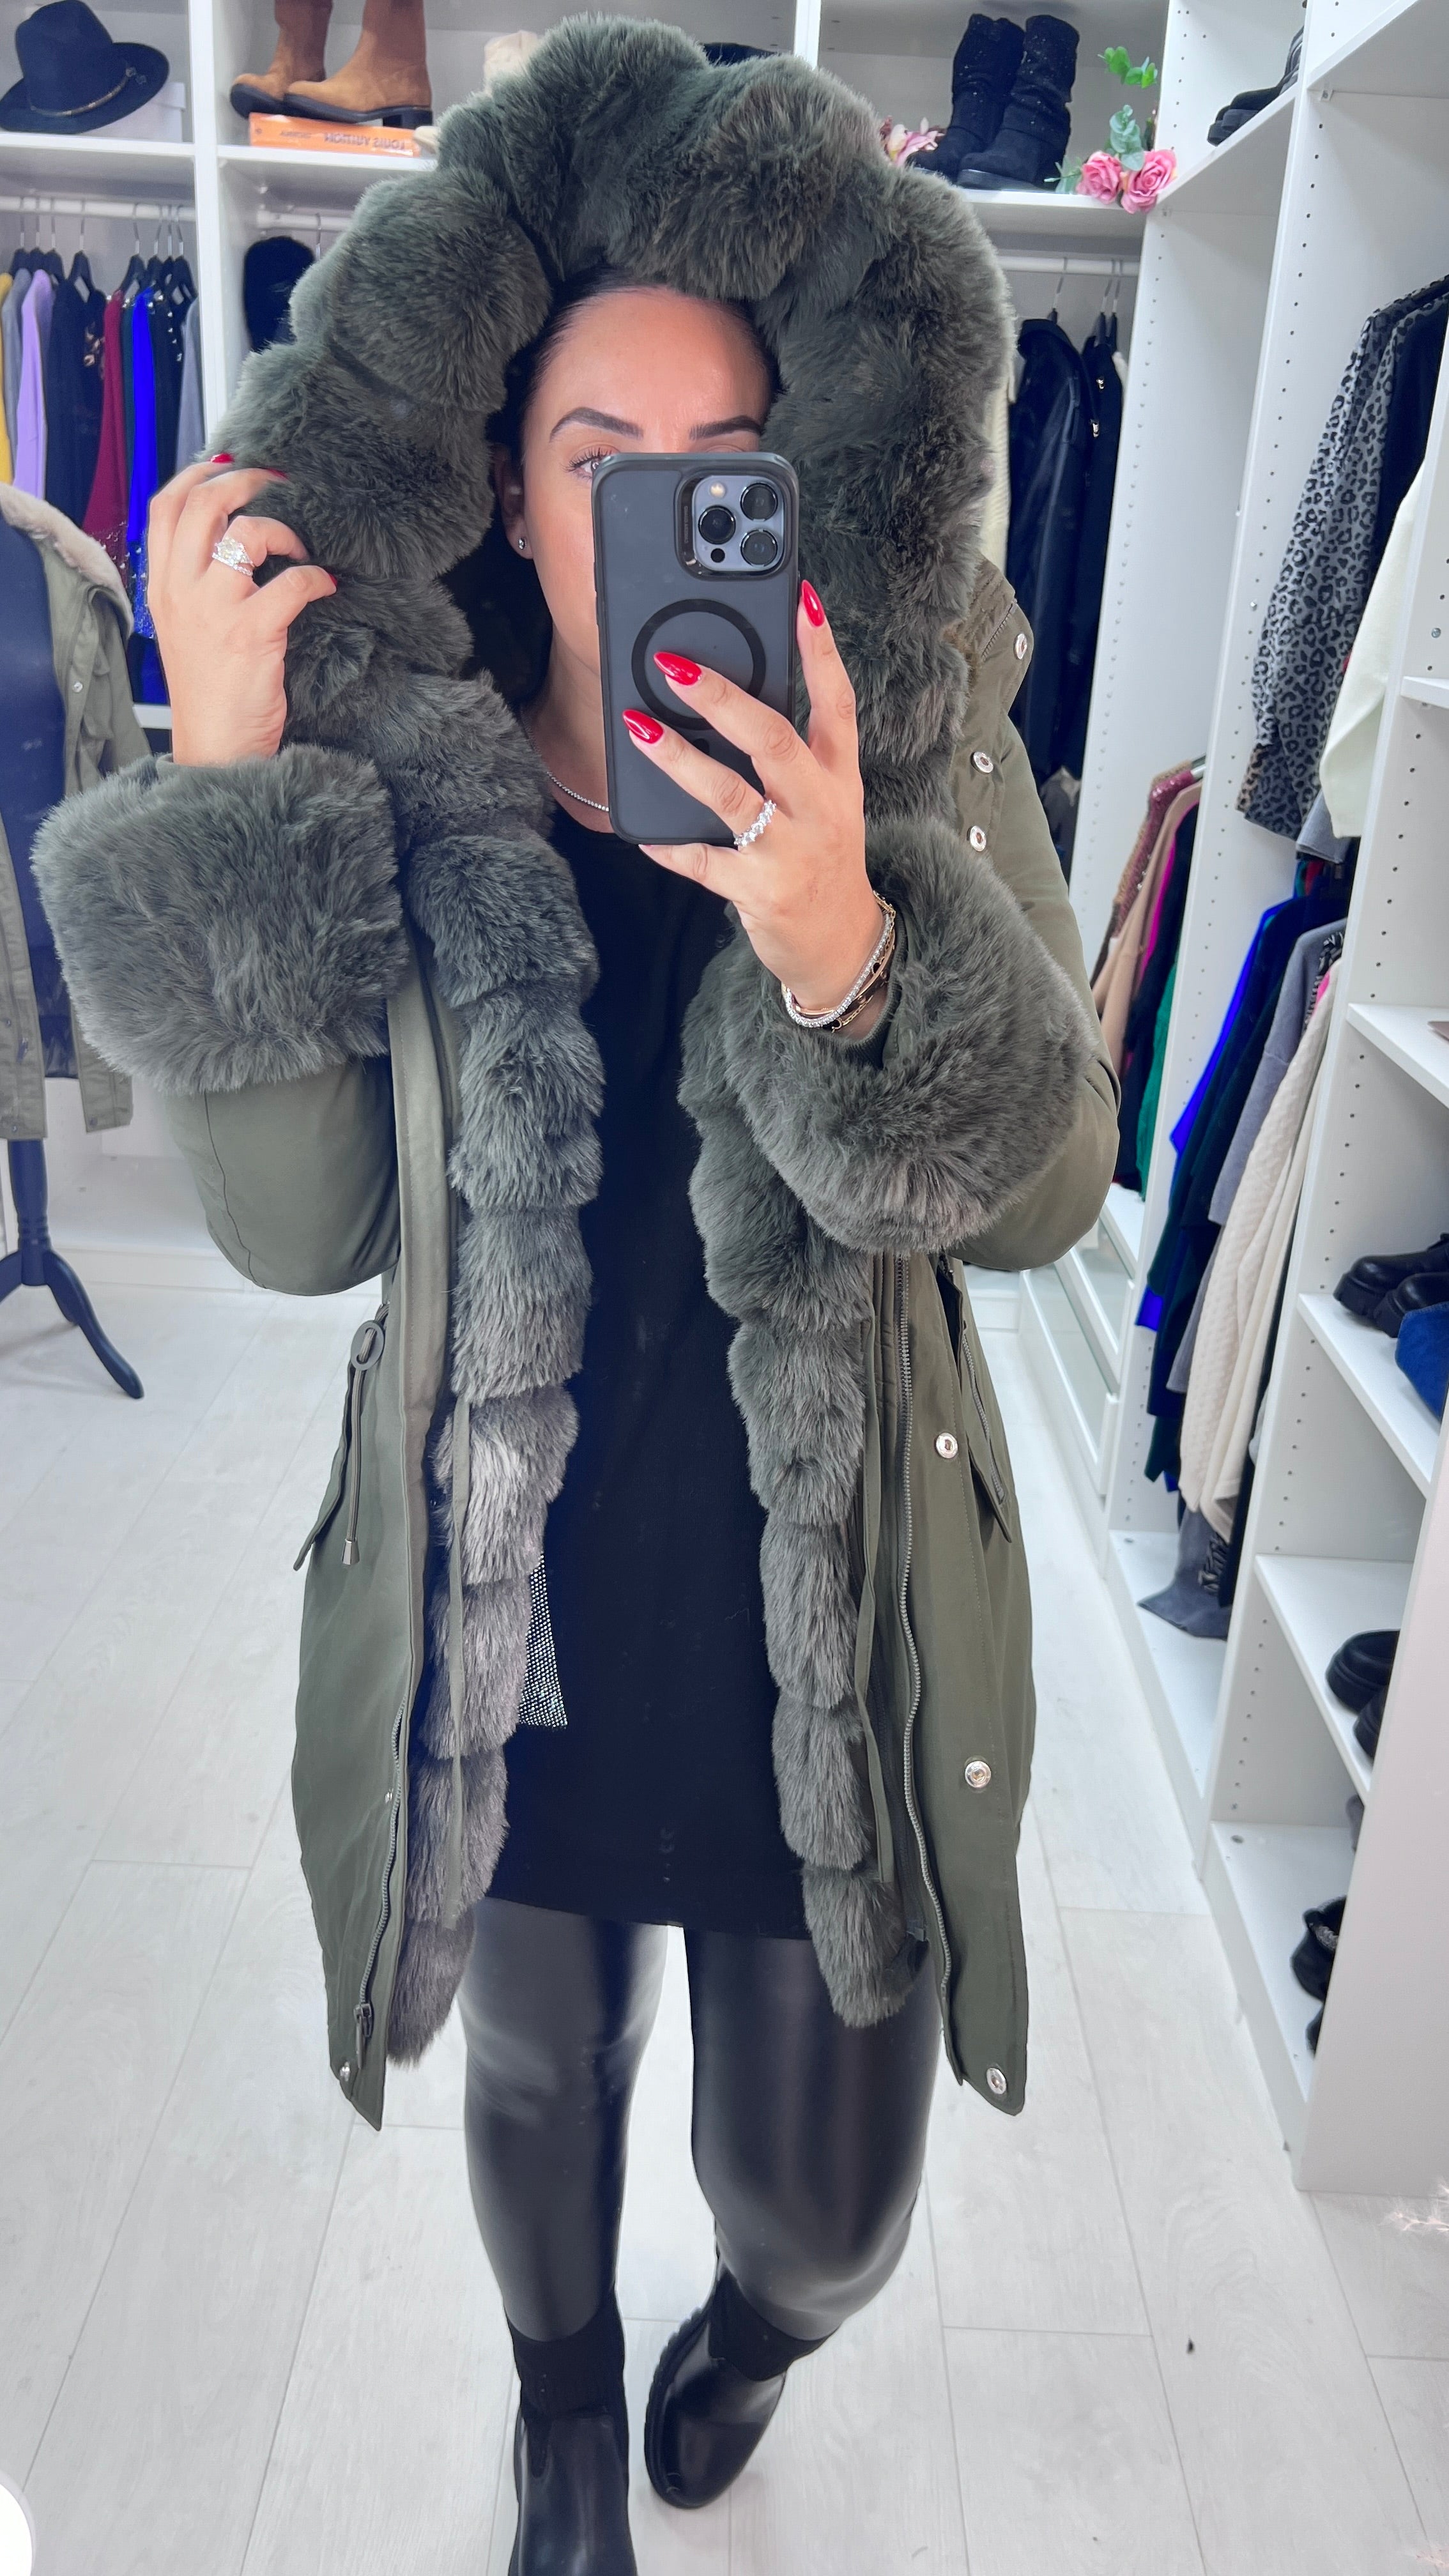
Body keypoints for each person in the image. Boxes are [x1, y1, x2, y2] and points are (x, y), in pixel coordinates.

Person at [34, 24, 1117, 2573]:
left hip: (822, 1615)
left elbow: (1048, 1202)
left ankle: (745, 2340)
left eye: (715, 460)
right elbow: (304, 1237)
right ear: (511, 482)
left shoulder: (915, 747)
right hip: (505, 1613)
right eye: (594, 453)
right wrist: (228, 778)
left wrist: (850, 941)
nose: (654, 508)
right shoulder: (399, 769)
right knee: (540, 2086)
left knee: (829, 2212)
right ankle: (556, 2412)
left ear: (797, 479)